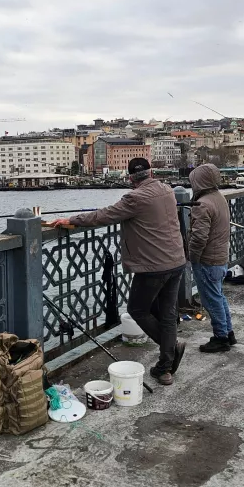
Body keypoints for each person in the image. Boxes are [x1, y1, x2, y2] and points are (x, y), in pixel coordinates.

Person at [48, 157, 186, 386]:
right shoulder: (167, 190)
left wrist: (70, 220)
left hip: (154, 267)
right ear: (151, 173)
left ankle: (169, 352)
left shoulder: (134, 197)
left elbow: (102, 215)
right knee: (167, 313)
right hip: (176, 261)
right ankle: (165, 367)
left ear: (131, 177)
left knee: (137, 309)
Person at [187, 163, 234, 353]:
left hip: (208, 260)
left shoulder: (203, 204)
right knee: (219, 296)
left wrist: (193, 257)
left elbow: (199, 237)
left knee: (211, 300)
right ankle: (228, 333)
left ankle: (220, 337)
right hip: (220, 257)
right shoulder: (219, 198)